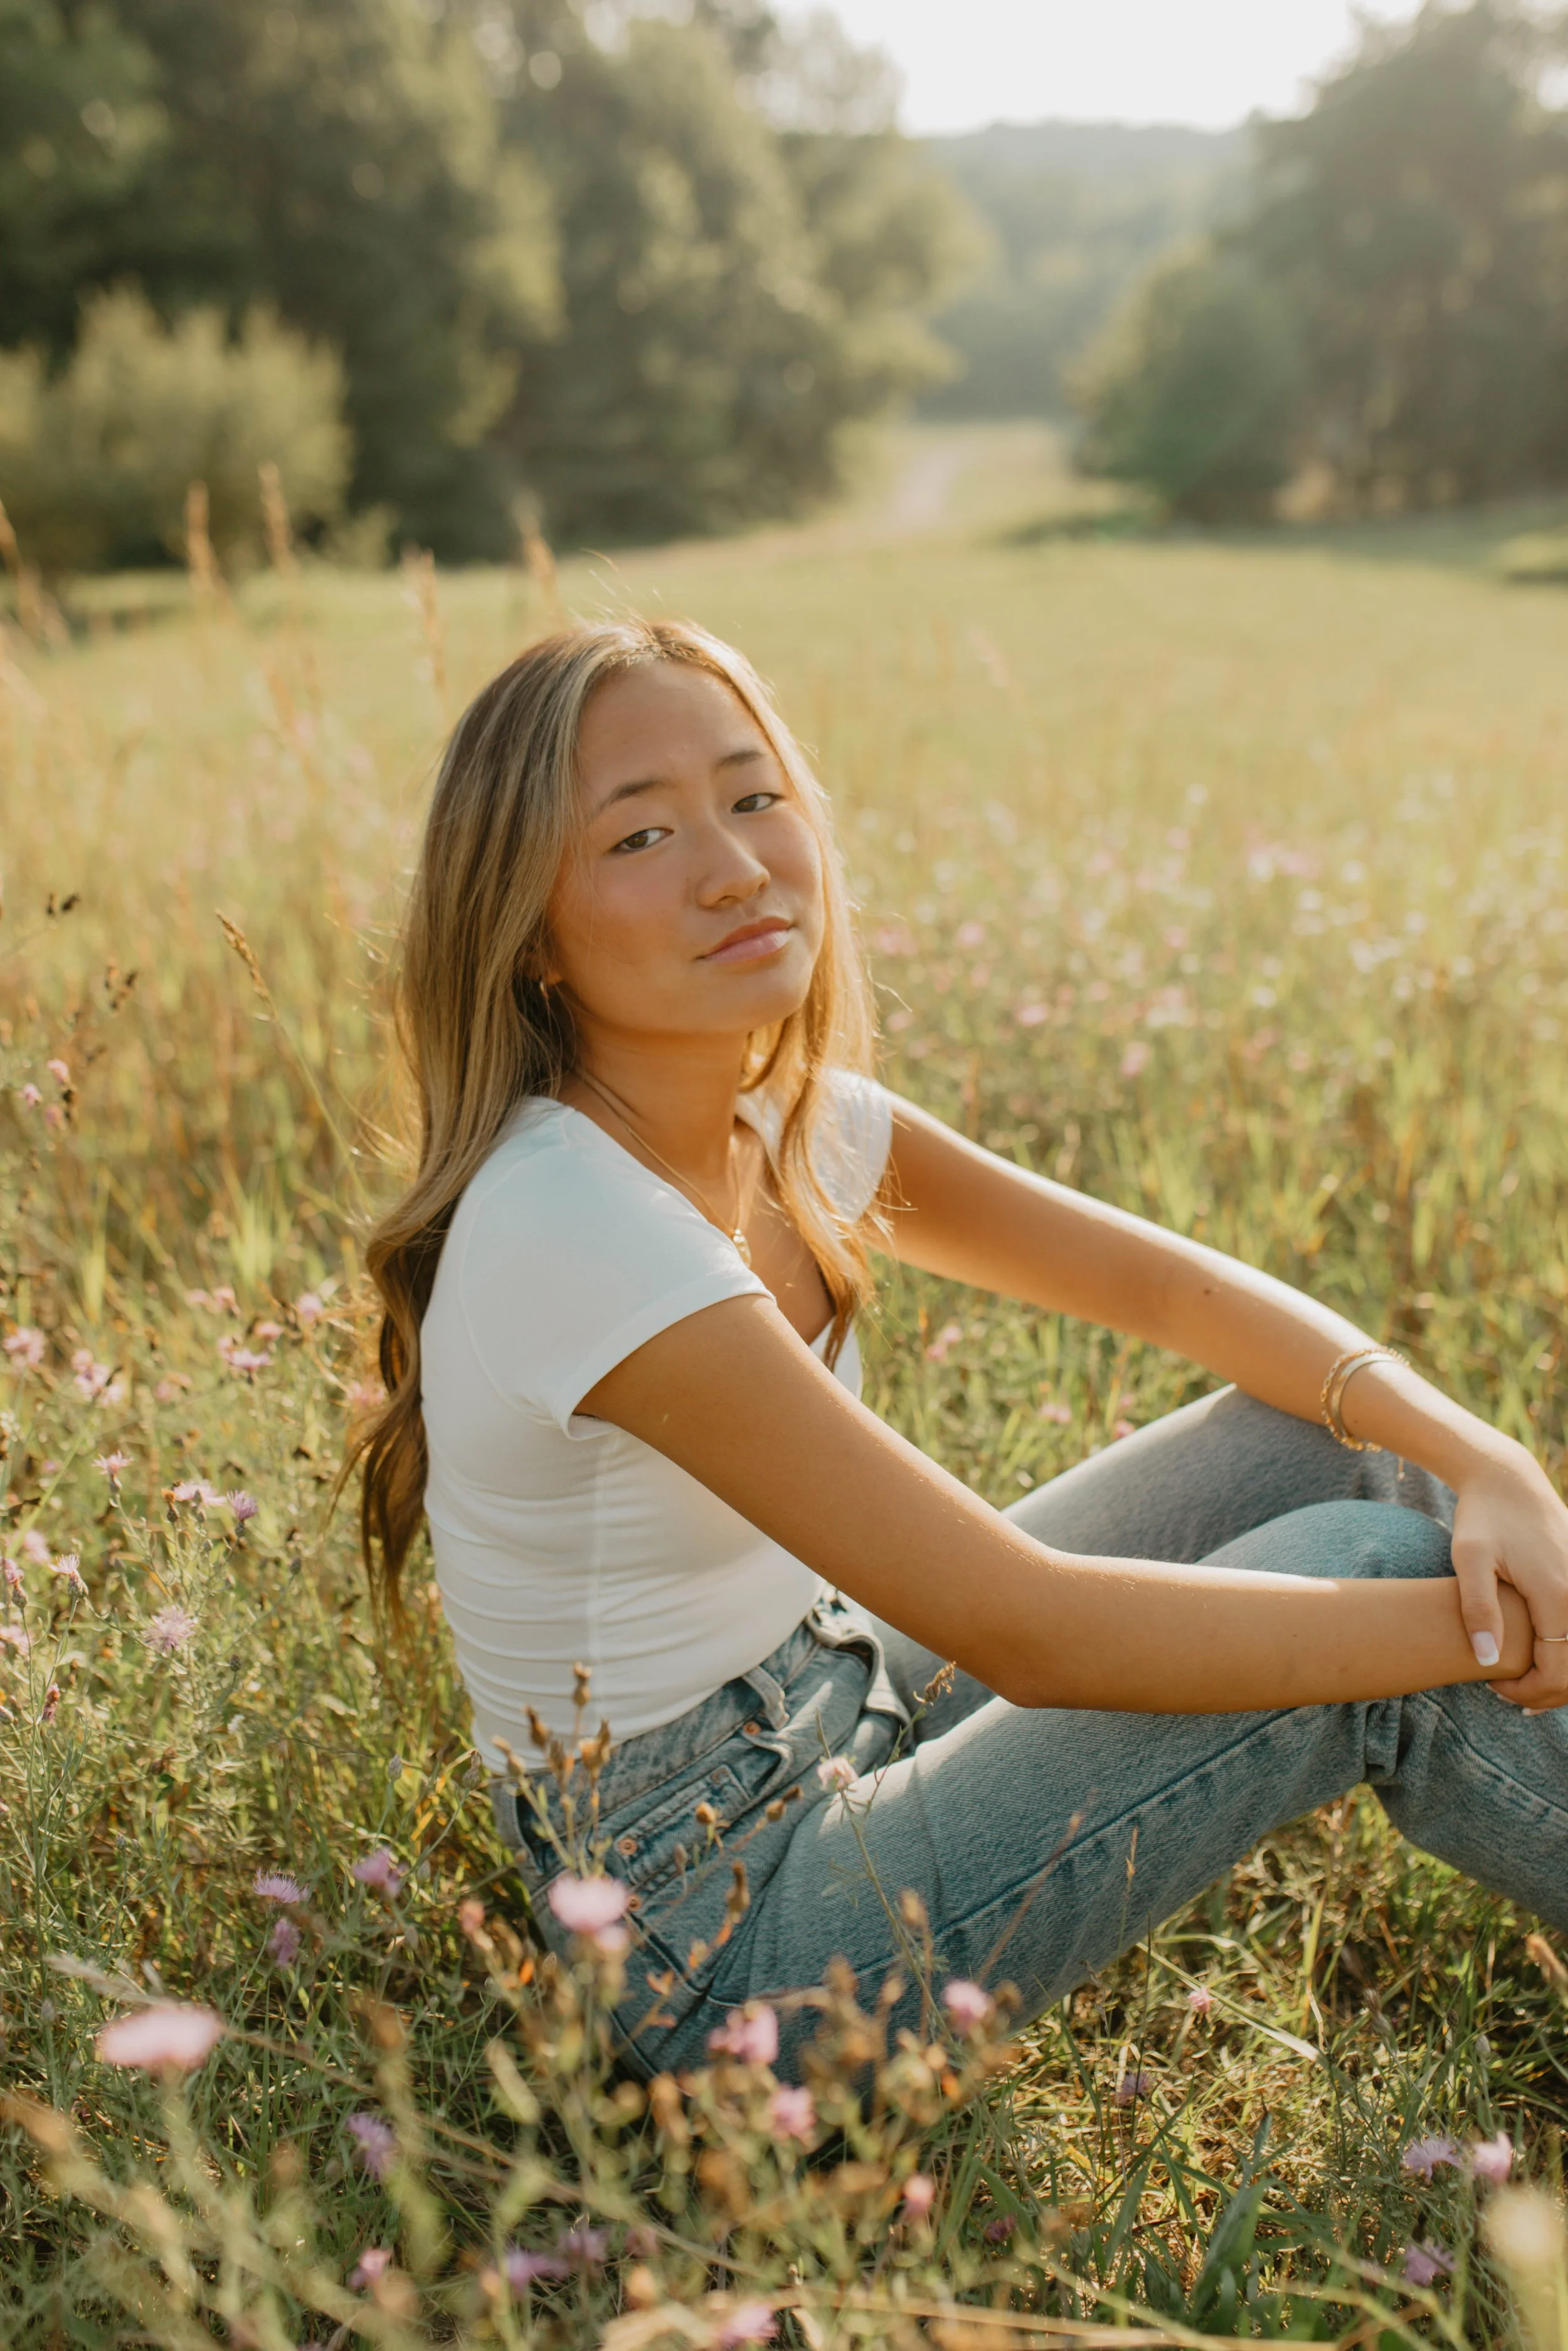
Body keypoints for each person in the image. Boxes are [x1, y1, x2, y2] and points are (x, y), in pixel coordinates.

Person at [354, 618, 1568, 2080]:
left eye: (752, 797)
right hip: (709, 1952)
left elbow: (1168, 1287)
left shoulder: (779, 1117)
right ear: (530, 934)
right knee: (1383, 1599)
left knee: (1347, 1445)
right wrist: (1483, 1629)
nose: (733, 865)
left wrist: (1481, 1456)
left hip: (837, 1692)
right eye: (639, 836)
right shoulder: (570, 1222)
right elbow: (1027, 1627)